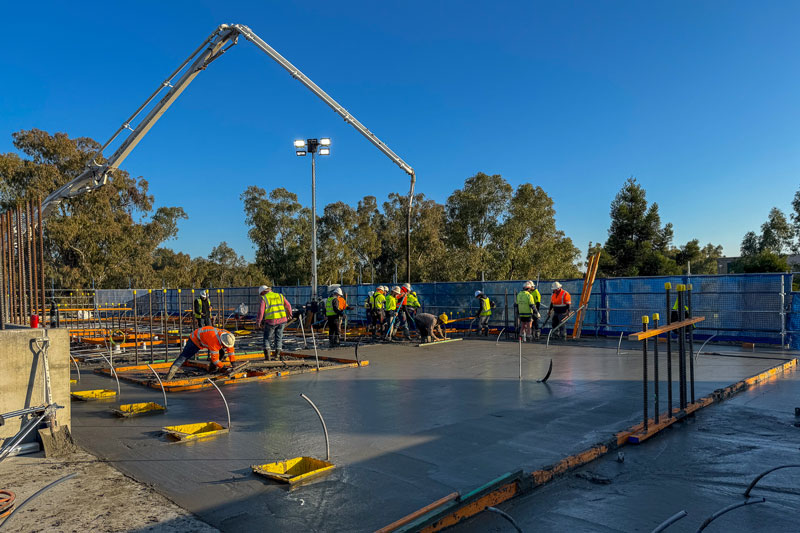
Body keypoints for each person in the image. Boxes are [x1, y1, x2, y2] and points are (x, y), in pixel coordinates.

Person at [165, 326, 236, 381]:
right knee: (184, 356)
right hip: (195, 340)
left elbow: (231, 350)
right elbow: (215, 360)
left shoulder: (228, 336)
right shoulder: (214, 342)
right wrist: (223, 367)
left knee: (221, 352)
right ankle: (170, 374)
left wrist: (233, 363)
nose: (225, 347)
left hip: (205, 337)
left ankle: (212, 370)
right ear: (222, 342)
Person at [256, 284, 292, 361]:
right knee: (279, 338)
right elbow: (288, 305)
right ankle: (277, 356)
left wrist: (258, 322)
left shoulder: (264, 298)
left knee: (267, 338)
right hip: (282, 320)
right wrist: (289, 314)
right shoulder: (280, 295)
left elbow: (261, 311)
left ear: (262, 292)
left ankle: (267, 357)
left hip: (271, 321)